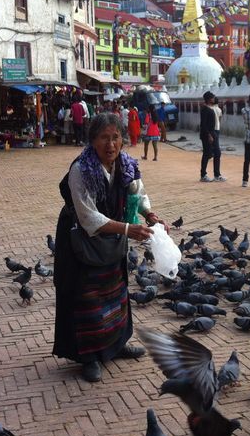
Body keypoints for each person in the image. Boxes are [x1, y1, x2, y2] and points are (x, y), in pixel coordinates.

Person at [53, 113, 166, 382]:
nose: (111, 144)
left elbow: (138, 193)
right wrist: (129, 229)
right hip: (82, 241)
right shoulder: (81, 169)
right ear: (92, 140)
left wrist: (149, 215)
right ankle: (89, 357)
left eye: (115, 137)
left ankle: (115, 345)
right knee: (89, 298)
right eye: (104, 137)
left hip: (112, 240)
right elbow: (88, 217)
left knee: (115, 293)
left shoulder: (126, 164)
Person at [199, 91, 224, 182]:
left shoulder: (208, 109)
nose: (214, 99)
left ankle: (217, 174)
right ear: (209, 99)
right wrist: (209, 135)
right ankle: (203, 175)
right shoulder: (206, 110)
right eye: (212, 97)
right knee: (207, 154)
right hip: (208, 135)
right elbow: (203, 125)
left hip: (212, 133)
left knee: (216, 153)